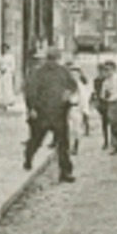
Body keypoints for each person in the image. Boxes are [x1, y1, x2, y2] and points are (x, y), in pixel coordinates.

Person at [22, 46, 77, 183]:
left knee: (63, 144)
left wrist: (68, 94)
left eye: (55, 59)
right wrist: (32, 108)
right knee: (36, 140)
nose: (53, 62)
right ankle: (28, 158)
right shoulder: (38, 73)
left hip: (60, 112)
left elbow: (73, 85)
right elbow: (30, 92)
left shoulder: (63, 72)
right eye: (51, 59)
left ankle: (65, 172)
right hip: (42, 113)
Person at [0, 43, 17, 111]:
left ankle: (6, 103)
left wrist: (8, 70)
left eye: (5, 48)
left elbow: (13, 66)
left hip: (7, 75)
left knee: (6, 89)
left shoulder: (10, 57)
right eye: (2, 48)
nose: (3, 50)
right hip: (0, 74)